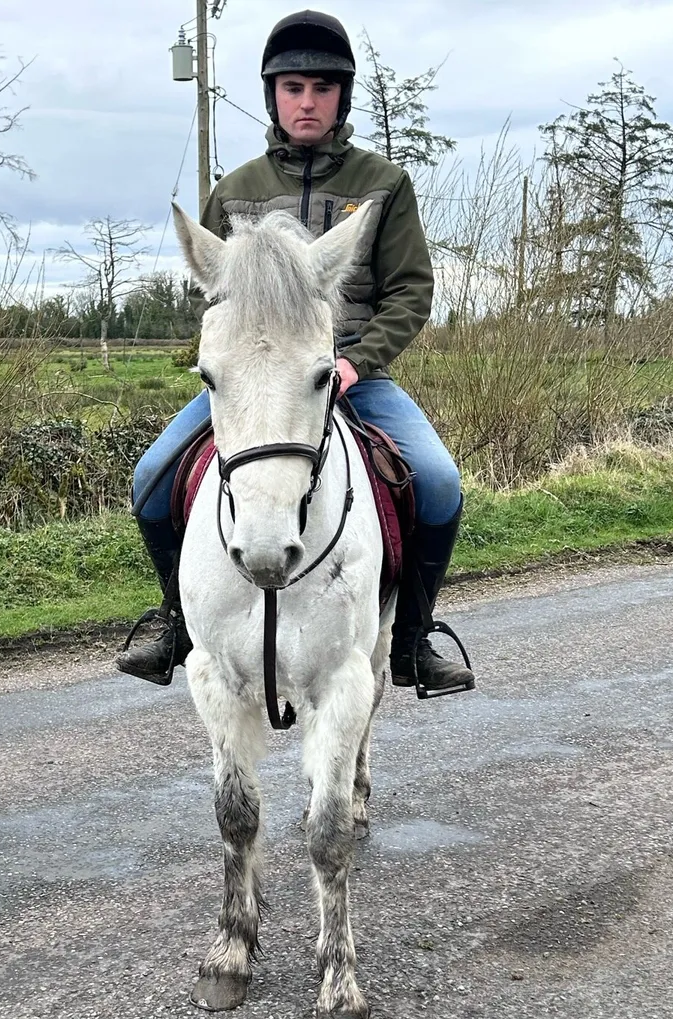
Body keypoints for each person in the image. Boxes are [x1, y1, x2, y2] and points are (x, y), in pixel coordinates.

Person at [117, 9, 474, 695]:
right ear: (271, 95)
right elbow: (218, 297)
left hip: (353, 378)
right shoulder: (235, 191)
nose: (306, 101)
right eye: (292, 88)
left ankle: (412, 638)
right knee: (152, 477)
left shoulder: (385, 185)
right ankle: (176, 624)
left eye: (321, 88)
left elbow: (409, 292)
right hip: (255, 384)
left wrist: (354, 362)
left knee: (438, 483)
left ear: (342, 97)